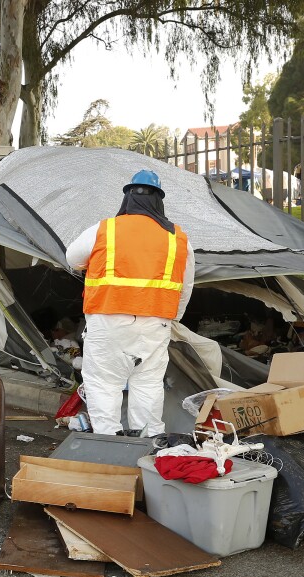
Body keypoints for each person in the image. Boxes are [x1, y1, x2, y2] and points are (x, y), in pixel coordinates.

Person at [65, 170, 194, 438]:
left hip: (108, 322)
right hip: (155, 325)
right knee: (147, 384)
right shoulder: (178, 238)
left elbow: (72, 258)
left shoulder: (104, 229)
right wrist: (172, 317)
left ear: (127, 198)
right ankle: (147, 445)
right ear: (159, 200)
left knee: (103, 384)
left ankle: (108, 444)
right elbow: (185, 285)